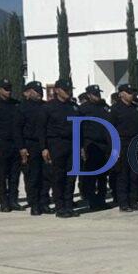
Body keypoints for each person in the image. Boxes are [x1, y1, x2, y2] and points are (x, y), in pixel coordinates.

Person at [43, 79, 81, 218]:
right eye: (65, 90)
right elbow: (41, 129)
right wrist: (44, 148)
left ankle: (69, 205)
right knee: (58, 176)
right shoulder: (49, 107)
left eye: (69, 90)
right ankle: (60, 207)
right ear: (57, 90)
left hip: (73, 144)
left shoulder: (74, 106)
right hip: (56, 144)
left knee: (71, 177)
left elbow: (79, 127)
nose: (68, 92)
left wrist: (81, 146)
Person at [0, 79, 24, 212]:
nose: (9, 91)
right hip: (0, 144)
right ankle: (4, 202)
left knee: (15, 175)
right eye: (6, 89)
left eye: (9, 89)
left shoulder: (16, 105)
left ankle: (13, 200)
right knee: (1, 175)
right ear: (0, 89)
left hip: (15, 144)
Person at [15, 81, 50, 215]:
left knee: (46, 175)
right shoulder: (22, 108)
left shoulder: (45, 106)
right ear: (28, 92)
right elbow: (17, 129)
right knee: (33, 175)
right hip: (30, 144)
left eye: (40, 90)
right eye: (36, 90)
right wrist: (22, 147)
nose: (39, 93)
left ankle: (44, 202)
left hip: (45, 144)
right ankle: (35, 204)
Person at [78, 85, 113, 210]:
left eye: (98, 93)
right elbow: (78, 129)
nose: (97, 96)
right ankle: (92, 201)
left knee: (103, 176)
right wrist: (81, 147)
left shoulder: (104, 107)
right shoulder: (82, 109)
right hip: (91, 145)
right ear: (88, 95)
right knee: (91, 176)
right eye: (94, 94)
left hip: (105, 145)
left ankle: (102, 199)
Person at [109, 85, 138, 212]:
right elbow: (110, 130)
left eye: (132, 92)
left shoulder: (136, 109)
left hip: (135, 145)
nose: (131, 95)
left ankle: (133, 201)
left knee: (135, 176)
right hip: (121, 145)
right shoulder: (115, 109)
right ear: (121, 94)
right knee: (122, 176)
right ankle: (123, 203)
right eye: (128, 92)